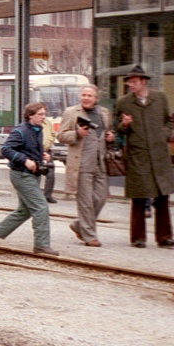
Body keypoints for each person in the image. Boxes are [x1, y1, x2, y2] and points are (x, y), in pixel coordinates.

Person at [114, 65, 174, 248]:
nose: (131, 85)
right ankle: (138, 237)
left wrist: (165, 134)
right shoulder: (124, 102)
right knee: (139, 196)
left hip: (159, 154)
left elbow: (169, 120)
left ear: (144, 82)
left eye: (134, 81)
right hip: (138, 155)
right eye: (129, 82)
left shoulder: (160, 98)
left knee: (162, 195)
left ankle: (164, 237)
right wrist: (124, 125)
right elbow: (117, 128)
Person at [0, 102, 58, 255]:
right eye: (41, 114)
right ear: (31, 115)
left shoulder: (38, 129)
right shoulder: (21, 131)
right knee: (41, 207)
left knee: (25, 210)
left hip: (31, 175)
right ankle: (41, 245)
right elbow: (6, 149)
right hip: (22, 175)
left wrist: (42, 154)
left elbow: (29, 148)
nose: (44, 117)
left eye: (44, 114)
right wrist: (25, 160)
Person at [57, 85, 113, 247]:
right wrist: (77, 134)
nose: (86, 98)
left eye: (89, 96)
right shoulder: (71, 113)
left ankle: (79, 225)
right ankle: (89, 236)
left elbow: (106, 132)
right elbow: (61, 135)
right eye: (83, 95)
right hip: (81, 164)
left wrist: (110, 136)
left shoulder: (104, 113)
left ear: (96, 99)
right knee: (86, 202)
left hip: (100, 162)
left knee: (101, 197)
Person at [41, 115, 58, 203]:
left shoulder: (47, 122)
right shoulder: (35, 122)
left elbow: (53, 133)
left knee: (50, 174)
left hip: (47, 150)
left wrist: (50, 141)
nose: (43, 115)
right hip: (37, 151)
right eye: (41, 113)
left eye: (44, 113)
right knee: (36, 173)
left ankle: (48, 195)